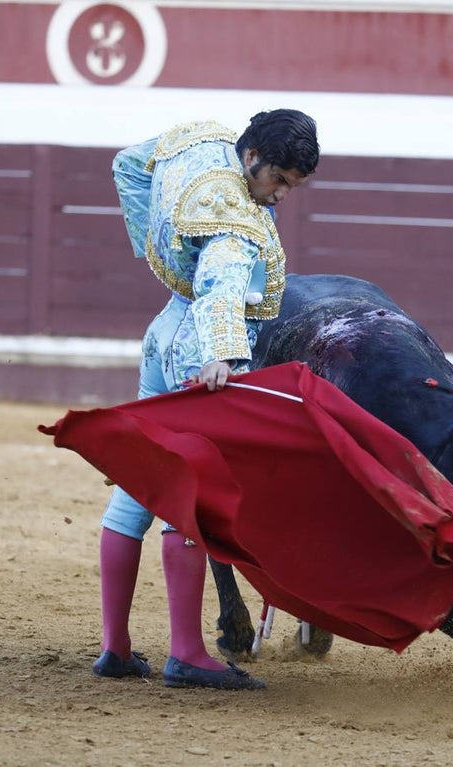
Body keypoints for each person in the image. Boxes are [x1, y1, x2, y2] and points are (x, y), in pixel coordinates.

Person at [93, 110, 320, 690]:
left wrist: (158, 250)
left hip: (162, 331)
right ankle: (188, 653)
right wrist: (221, 356)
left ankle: (116, 648)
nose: (281, 195)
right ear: (253, 158)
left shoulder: (202, 140)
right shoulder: (235, 217)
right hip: (198, 353)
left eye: (292, 186)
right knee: (189, 494)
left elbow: (128, 165)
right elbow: (220, 288)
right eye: (280, 180)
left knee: (136, 488)